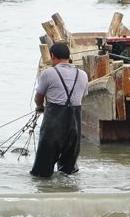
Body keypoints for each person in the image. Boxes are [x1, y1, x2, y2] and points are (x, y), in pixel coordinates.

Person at [30, 42, 89, 177]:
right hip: (74, 126)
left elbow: (39, 97)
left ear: (53, 56)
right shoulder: (83, 75)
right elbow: (82, 97)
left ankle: (46, 193)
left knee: (41, 172)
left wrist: (40, 107)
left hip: (53, 126)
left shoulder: (48, 73)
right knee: (68, 172)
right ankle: (68, 194)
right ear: (68, 57)